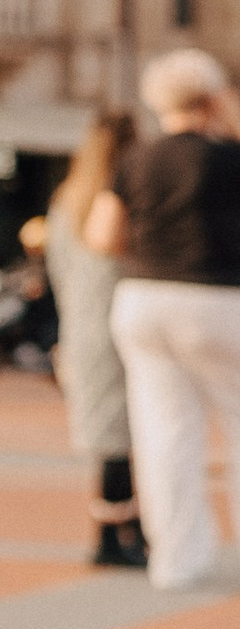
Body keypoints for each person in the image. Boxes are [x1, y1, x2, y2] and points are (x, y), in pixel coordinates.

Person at [88, 48, 240, 590]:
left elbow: (103, 235)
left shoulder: (137, 160)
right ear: (211, 98)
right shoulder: (229, 158)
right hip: (219, 298)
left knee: (165, 432)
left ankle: (176, 561)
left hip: (143, 298)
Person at [40, 110, 144, 567]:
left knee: (109, 436)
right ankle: (120, 533)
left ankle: (118, 529)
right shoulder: (125, 197)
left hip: (83, 323)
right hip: (124, 320)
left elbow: (59, 272)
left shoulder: (67, 200)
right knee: (133, 433)